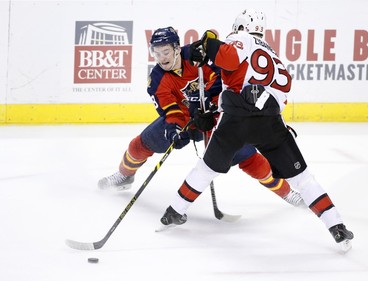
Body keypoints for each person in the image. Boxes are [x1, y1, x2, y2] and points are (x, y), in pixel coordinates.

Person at [159, 10, 354, 250]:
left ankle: (173, 212)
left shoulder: (241, 39)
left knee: (206, 169)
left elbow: (228, 60)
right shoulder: (273, 56)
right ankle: (337, 227)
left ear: (240, 27)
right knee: (303, 178)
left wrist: (209, 45)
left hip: (236, 119)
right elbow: (276, 95)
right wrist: (215, 110)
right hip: (270, 122)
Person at [97, 26, 304, 207]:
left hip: (215, 114)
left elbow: (223, 72)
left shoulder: (196, 54)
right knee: (139, 145)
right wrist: (174, 129)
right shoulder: (157, 79)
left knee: (247, 156)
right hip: (187, 120)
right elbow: (171, 110)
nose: (162, 58)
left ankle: (287, 192)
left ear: (177, 48)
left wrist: (212, 104)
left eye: (166, 52)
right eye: (157, 54)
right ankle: (124, 176)